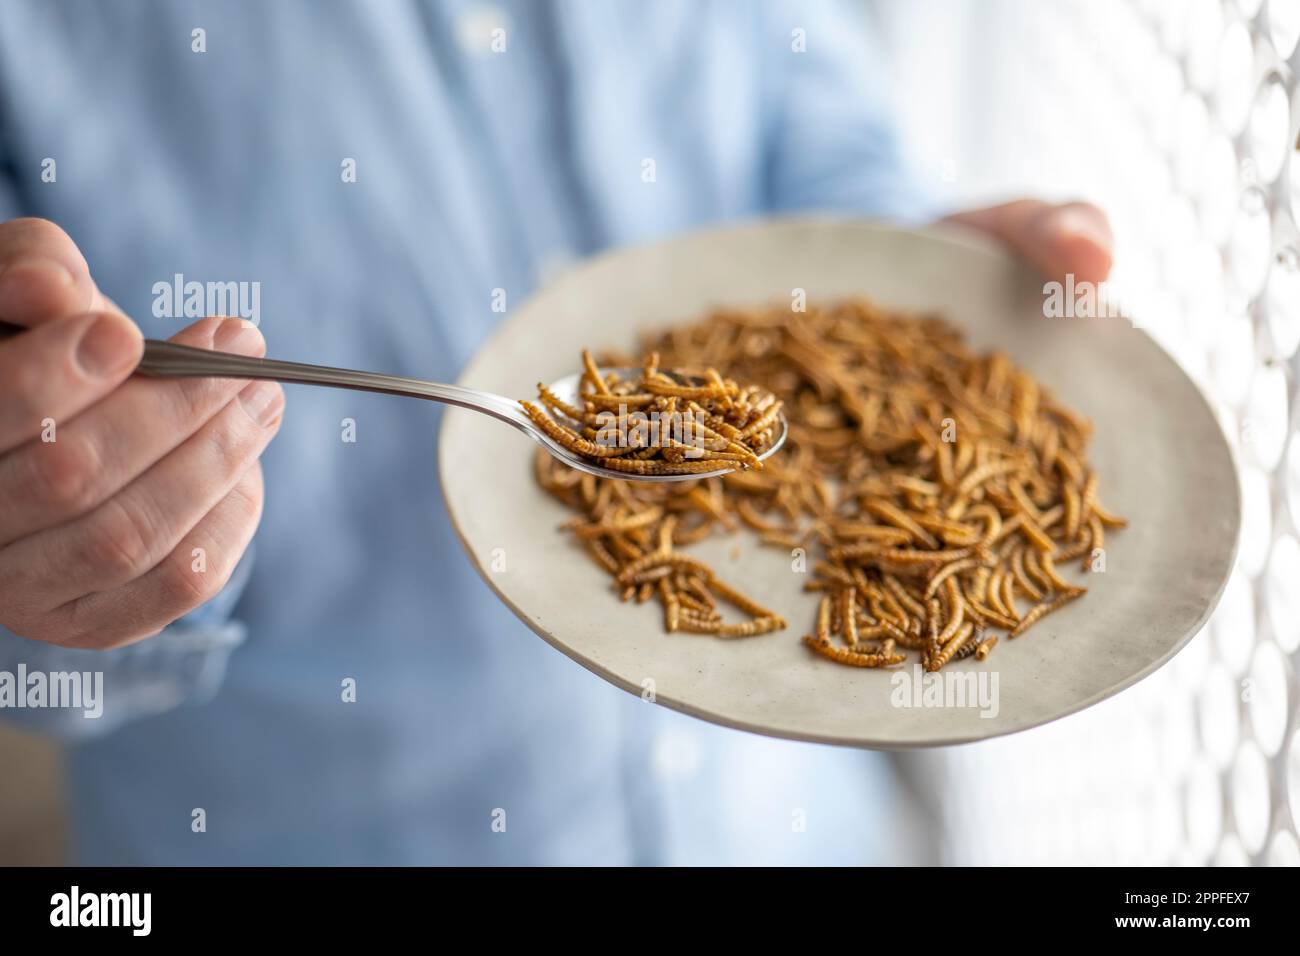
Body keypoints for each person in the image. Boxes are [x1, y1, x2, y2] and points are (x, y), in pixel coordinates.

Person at [0, 0, 1112, 864]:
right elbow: (39, 611)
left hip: (800, 830)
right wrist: (57, 551)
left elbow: (816, 133)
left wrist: (905, 286)